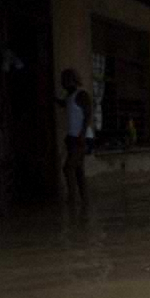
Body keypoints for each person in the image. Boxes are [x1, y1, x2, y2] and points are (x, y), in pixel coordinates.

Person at [58, 69, 92, 204]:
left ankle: (72, 198)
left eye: (64, 79)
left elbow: (88, 115)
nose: (62, 83)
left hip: (81, 138)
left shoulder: (81, 94)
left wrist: (82, 134)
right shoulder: (70, 96)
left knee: (68, 168)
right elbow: (63, 104)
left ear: (71, 80)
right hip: (74, 138)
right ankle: (84, 201)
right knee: (78, 170)